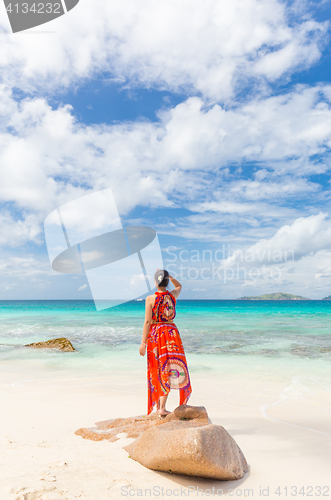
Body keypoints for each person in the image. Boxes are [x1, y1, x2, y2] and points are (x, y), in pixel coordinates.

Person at [139, 269, 192, 416]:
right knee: (169, 368)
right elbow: (179, 286)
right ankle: (162, 407)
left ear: (155, 282)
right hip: (172, 333)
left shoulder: (150, 299)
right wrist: (170, 276)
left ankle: (161, 408)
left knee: (159, 367)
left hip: (157, 336)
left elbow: (148, 321)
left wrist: (143, 343)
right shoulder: (172, 296)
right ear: (167, 281)